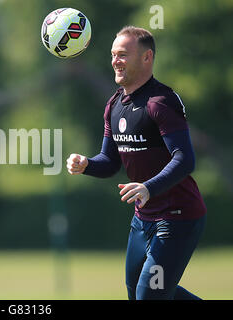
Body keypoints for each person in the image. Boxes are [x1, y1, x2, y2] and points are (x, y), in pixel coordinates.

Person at [66, 26, 207, 300]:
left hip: (177, 217)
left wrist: (148, 187)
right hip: (143, 219)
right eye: (113, 55)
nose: (115, 61)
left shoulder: (161, 102)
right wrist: (87, 164)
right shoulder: (114, 105)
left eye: (123, 55)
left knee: (149, 296)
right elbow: (109, 161)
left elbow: (185, 159)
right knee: (142, 294)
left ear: (147, 57)